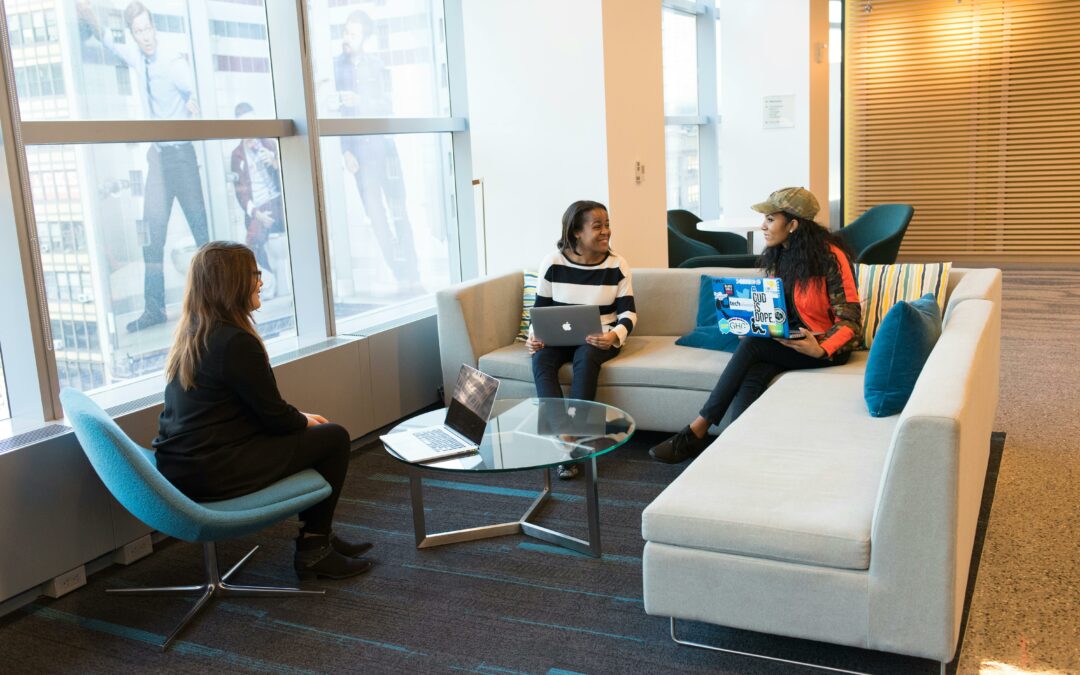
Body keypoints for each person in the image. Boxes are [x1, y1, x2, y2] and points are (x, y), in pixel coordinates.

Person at [153, 242, 373, 580]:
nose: (261, 282)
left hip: (185, 465)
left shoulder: (194, 334)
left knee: (315, 432)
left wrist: (298, 419)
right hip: (213, 470)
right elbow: (274, 417)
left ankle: (320, 535)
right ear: (233, 283)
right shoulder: (234, 342)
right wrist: (303, 419)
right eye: (255, 274)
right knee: (334, 438)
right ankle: (314, 546)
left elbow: (244, 412)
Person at [649, 187, 862, 464]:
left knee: (753, 347)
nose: (763, 225)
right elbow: (782, 309)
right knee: (755, 369)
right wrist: (753, 323)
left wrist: (821, 349)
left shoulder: (831, 257)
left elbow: (850, 321)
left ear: (794, 224)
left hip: (824, 348)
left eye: (771, 219)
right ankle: (734, 449)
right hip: (789, 340)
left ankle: (697, 429)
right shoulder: (782, 254)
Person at [77, 0, 210, 332]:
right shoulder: (138, 57)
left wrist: (196, 104)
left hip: (182, 156)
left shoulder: (171, 61)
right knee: (152, 237)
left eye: (148, 28)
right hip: (158, 158)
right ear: (134, 34)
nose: (145, 36)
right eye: (138, 31)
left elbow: (198, 91)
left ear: (154, 28)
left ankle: (215, 304)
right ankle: (153, 309)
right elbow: (111, 42)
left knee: (202, 234)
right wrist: (92, 21)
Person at [527, 201, 636, 479]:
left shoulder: (617, 264)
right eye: (597, 226)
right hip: (557, 338)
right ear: (576, 232)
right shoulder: (552, 263)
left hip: (598, 339)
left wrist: (613, 335)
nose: (606, 232)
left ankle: (571, 440)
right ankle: (562, 436)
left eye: (607, 225)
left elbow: (629, 314)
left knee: (586, 356)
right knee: (540, 359)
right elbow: (540, 311)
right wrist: (533, 337)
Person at [333, 10, 421, 292]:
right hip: (359, 152)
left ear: (365, 38)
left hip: (384, 149)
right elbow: (335, 114)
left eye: (354, 34)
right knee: (377, 217)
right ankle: (401, 275)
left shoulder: (376, 65)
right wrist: (345, 149)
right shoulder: (337, 68)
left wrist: (360, 100)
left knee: (399, 212)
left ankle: (413, 273)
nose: (348, 38)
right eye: (346, 32)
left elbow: (387, 106)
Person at [230, 102, 286, 295]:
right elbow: (241, 192)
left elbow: (289, 175)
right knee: (252, 243)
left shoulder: (270, 144)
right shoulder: (237, 155)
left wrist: (274, 162)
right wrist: (256, 213)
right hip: (259, 207)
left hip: (279, 201)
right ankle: (268, 283)